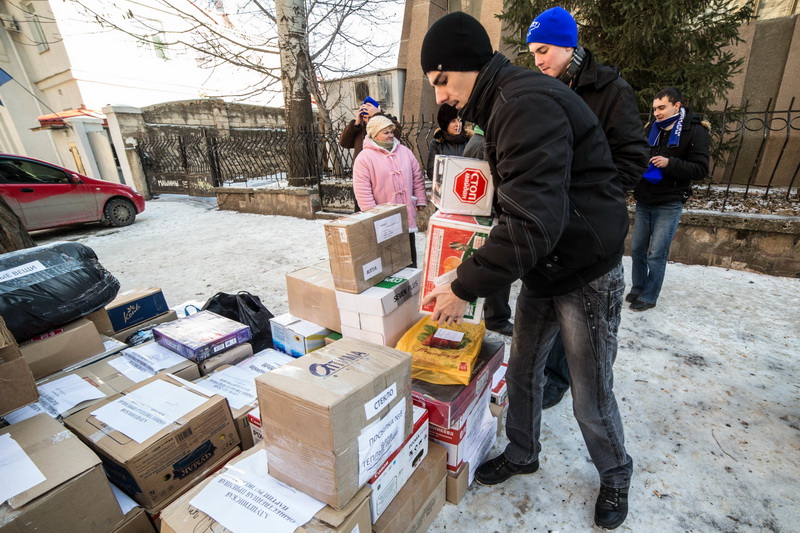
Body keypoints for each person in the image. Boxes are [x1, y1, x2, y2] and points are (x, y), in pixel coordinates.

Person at [419, 12, 633, 530]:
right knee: (523, 370)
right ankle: (522, 452)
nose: (441, 95)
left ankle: (615, 473)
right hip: (546, 264)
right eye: (434, 85)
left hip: (585, 269)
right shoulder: (502, 102)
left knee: (589, 392)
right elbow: (521, 201)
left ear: (469, 64)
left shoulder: (522, 102)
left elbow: (534, 221)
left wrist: (465, 285)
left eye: (442, 80)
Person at [526, 6, 650, 408]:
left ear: (567, 46)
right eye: (533, 53)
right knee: (551, 300)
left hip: (589, 224)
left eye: (543, 50)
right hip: (551, 216)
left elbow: (632, 158)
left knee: (582, 308)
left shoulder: (611, 90)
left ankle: (560, 377)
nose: (537, 60)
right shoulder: (543, 87)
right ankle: (545, 372)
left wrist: (594, 200)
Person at [629, 87, 710, 311]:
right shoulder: (652, 128)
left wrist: (669, 163)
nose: (657, 113)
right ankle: (638, 287)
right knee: (637, 249)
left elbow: (700, 169)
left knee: (656, 253)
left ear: (677, 105)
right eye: (655, 108)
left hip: (669, 201)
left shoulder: (695, 131)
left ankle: (649, 296)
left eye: (662, 107)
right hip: (644, 198)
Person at [352, 115, 427, 268]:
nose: (390, 135)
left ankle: (411, 278)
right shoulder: (364, 158)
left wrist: (420, 199)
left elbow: (417, 177)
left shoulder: (405, 152)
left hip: (406, 213)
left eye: (391, 131)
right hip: (383, 219)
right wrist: (373, 214)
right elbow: (362, 190)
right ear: (374, 134)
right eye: (385, 132)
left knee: (409, 254)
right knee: (389, 259)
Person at [462, 125, 514, 336]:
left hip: (489, 214)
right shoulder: (482, 144)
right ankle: (496, 317)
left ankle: (494, 315)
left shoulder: (479, 141)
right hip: (490, 216)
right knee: (498, 264)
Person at [426, 103, 471, 179]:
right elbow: (431, 172)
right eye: (453, 121)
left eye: (459, 120)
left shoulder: (469, 141)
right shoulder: (436, 144)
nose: (458, 124)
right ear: (445, 124)